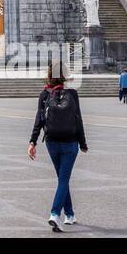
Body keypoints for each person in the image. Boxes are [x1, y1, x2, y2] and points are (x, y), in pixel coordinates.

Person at [28, 69, 88, 231]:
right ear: (64, 78)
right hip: (70, 142)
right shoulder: (72, 94)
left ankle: (69, 214)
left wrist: (32, 142)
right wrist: (83, 143)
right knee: (64, 178)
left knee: (63, 178)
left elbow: (39, 119)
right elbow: (78, 119)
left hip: (52, 142)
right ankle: (55, 213)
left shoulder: (44, 94)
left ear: (48, 77)